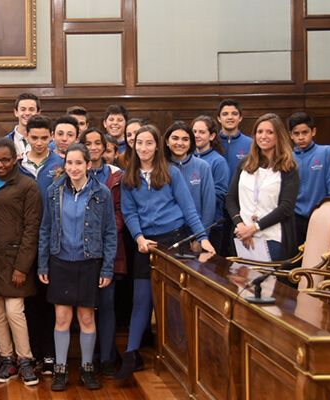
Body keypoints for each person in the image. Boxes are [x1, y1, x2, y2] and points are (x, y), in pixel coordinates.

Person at [117, 124, 216, 383]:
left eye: (149, 143)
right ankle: (131, 354)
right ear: (133, 146)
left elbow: (189, 208)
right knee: (142, 300)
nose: (144, 148)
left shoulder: (171, 172)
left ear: (157, 146)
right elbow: (129, 213)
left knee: (172, 301)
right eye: (139, 143)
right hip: (145, 243)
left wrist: (203, 238)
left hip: (174, 241)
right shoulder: (129, 177)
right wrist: (138, 237)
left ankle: (180, 355)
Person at [38, 144, 117, 391]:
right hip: (60, 261)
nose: (73, 168)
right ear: (65, 165)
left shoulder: (101, 193)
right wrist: (43, 262)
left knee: (86, 316)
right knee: (62, 318)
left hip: (89, 261)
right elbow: (45, 229)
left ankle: (86, 367)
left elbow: (110, 233)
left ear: (88, 165)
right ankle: (60, 369)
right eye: (69, 163)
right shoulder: (53, 191)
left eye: (78, 163)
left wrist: (106, 268)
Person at [0, 138, 42, 386]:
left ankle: (25, 359)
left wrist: (21, 267)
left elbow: (31, 229)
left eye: (6, 159)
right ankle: (7, 358)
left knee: (15, 311)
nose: (1, 164)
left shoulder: (28, 186)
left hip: (15, 260)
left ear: (15, 158)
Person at [80, 128, 127, 375]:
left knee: (107, 304)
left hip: (110, 249)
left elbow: (121, 212)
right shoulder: (75, 171)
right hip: (81, 253)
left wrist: (102, 233)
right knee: (85, 307)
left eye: (98, 143)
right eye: (88, 143)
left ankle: (107, 357)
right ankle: (89, 356)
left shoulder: (116, 176)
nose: (94, 147)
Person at [18, 115, 62, 374]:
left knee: (49, 300)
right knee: (29, 300)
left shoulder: (61, 164)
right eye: (34, 138)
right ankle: (32, 353)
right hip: (25, 241)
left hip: (52, 240)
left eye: (45, 138)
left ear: (52, 137)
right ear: (26, 136)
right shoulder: (18, 164)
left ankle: (50, 354)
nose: (39, 142)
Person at [226, 113, 300, 262]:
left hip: (272, 237)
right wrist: (241, 226)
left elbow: (286, 207)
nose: (263, 136)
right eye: (260, 132)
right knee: (243, 284)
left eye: (270, 132)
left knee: (268, 285)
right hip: (242, 236)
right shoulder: (245, 164)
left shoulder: (288, 168)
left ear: (278, 136)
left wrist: (253, 228)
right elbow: (230, 199)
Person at [288, 112, 330, 246]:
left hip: (321, 217)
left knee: (318, 262)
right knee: (294, 262)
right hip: (294, 219)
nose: (301, 137)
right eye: (296, 133)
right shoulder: (287, 157)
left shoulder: (327, 152)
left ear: (313, 131)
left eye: (305, 132)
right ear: (290, 135)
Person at [164, 121, 217, 238]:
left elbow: (209, 206)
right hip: (169, 233)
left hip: (195, 232)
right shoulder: (161, 167)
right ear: (167, 141)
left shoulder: (202, 166)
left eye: (185, 139)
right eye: (175, 138)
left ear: (191, 142)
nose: (180, 143)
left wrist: (202, 237)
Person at [192, 115, 230, 254]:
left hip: (211, 224)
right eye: (194, 131)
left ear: (212, 136)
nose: (197, 135)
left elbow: (220, 193)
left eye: (202, 132)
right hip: (190, 223)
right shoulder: (187, 158)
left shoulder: (218, 161)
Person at [217, 99, 252, 182]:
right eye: (225, 114)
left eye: (234, 114)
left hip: (240, 193)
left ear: (240, 118)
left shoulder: (251, 144)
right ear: (219, 118)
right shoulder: (211, 142)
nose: (230, 117)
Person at [6, 93, 41, 158]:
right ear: (16, 112)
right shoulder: (5, 142)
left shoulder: (47, 141)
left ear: (38, 113)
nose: (27, 113)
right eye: (23, 109)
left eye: (31, 109)